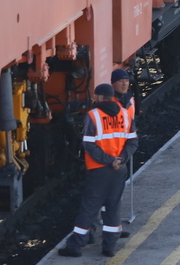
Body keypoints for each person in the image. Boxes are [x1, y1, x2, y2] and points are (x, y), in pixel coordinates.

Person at [59, 84, 135, 257]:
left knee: (90, 207)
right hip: (119, 168)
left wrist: (109, 161)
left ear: (100, 97)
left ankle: (76, 246)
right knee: (113, 206)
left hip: (99, 168)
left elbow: (88, 144)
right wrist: (120, 160)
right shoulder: (125, 114)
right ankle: (109, 246)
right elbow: (133, 142)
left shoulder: (93, 116)